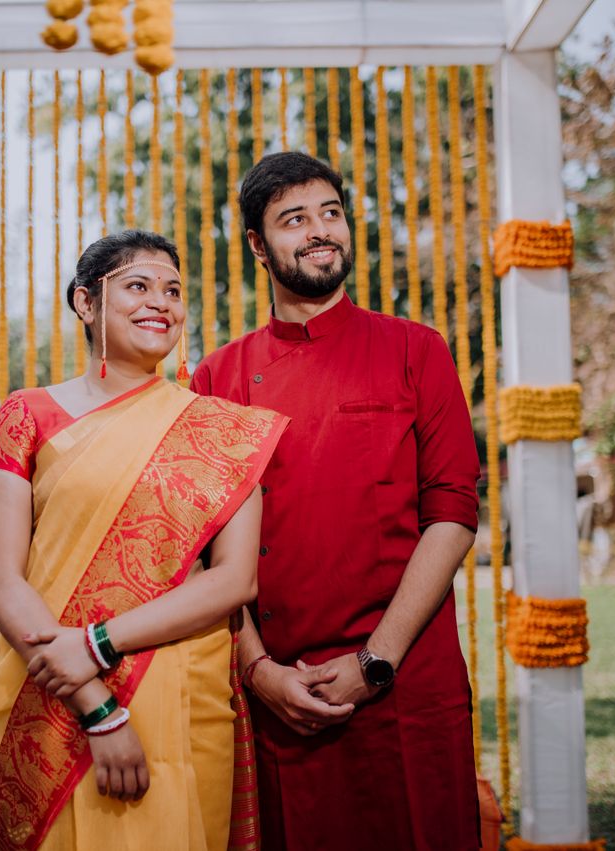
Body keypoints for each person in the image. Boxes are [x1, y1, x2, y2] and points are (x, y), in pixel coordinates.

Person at [190, 153, 482, 850]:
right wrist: (259, 672)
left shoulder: (417, 349)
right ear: (259, 246)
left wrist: (374, 661)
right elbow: (206, 550)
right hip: (283, 701)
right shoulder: (218, 377)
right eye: (295, 219)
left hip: (406, 684)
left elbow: (453, 513)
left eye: (331, 213)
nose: (321, 232)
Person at [0, 230, 287, 851]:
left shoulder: (220, 431)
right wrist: (98, 707)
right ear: (86, 303)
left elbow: (234, 581)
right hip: (59, 694)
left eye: (173, 290)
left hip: (184, 694)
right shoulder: (26, 416)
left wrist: (98, 643)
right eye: (138, 286)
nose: (161, 303)